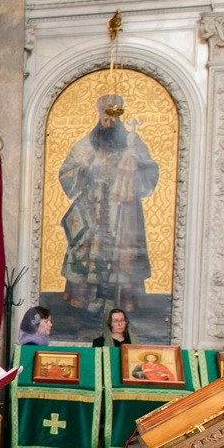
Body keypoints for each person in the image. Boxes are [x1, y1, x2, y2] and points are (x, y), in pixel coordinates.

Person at [59, 94, 159, 311]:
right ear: (99, 117)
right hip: (91, 209)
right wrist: (83, 169)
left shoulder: (133, 143)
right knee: (87, 253)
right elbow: (66, 172)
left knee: (123, 256)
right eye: (105, 119)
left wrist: (134, 169)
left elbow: (150, 172)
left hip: (123, 210)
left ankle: (122, 305)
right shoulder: (86, 144)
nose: (109, 123)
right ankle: (85, 304)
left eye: (113, 118)